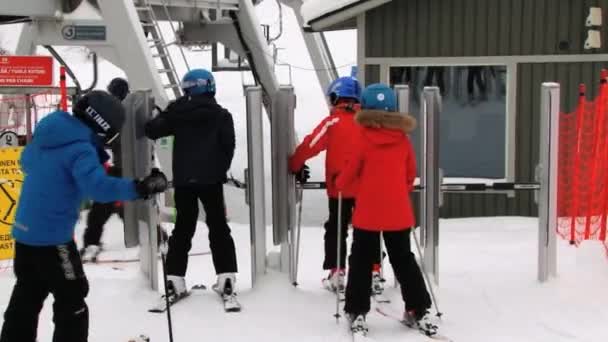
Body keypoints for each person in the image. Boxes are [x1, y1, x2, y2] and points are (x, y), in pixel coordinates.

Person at [0, 90, 168, 342]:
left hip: (25, 235)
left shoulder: (48, 135)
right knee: (72, 298)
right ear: (104, 124)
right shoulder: (80, 148)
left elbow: (28, 163)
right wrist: (140, 187)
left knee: (28, 293)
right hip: (53, 240)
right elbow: (98, 189)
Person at [336, 83, 438, 337]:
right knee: (403, 259)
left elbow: (347, 176)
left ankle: (357, 309)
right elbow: (409, 175)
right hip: (398, 212)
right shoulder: (402, 140)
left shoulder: (362, 138)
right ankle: (418, 307)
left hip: (368, 212)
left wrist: (351, 185)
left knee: (360, 260)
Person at [144, 69, 239, 307]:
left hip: (185, 181)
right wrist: (218, 170)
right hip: (212, 181)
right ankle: (226, 278)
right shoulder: (221, 115)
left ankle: (175, 280)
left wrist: (167, 111)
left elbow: (152, 130)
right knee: (218, 227)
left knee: (183, 229)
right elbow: (229, 146)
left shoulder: (178, 114)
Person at [288, 76, 384, 297]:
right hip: (367, 187)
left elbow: (310, 145)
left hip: (339, 187)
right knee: (369, 230)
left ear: (336, 97)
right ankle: (374, 270)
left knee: (336, 229)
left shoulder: (333, 122)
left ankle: (337, 272)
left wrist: (295, 165)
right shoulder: (368, 123)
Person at [80, 77, 130, 262]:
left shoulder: (114, 113)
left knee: (102, 208)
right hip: (133, 168)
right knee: (130, 208)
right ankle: (158, 239)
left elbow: (108, 137)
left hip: (122, 168)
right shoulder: (133, 110)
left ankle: (92, 244)